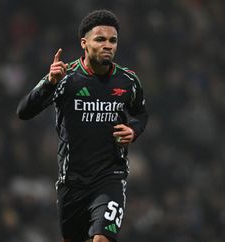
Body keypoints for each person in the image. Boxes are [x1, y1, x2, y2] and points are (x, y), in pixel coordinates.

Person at [16, 9, 148, 242]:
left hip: (110, 177)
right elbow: (24, 112)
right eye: (100, 39)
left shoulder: (128, 81)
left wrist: (134, 130)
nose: (108, 45)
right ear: (84, 43)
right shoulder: (64, 78)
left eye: (112, 40)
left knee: (101, 239)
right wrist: (48, 82)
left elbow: (141, 113)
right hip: (72, 182)